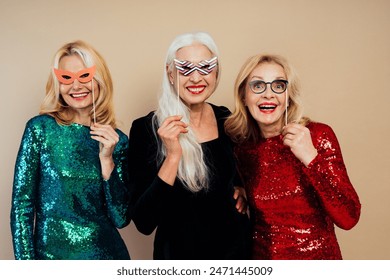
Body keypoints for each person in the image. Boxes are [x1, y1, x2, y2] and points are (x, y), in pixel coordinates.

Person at [224, 53, 361, 260]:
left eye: (278, 86)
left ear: (288, 97)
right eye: (258, 85)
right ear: (244, 95)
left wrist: (311, 158)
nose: (268, 94)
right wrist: (241, 191)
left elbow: (349, 218)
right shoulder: (243, 150)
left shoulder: (317, 135)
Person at [128, 32, 250, 259]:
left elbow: (244, 174)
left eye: (205, 67)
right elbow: (144, 222)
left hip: (235, 257)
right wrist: (173, 156)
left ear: (216, 72)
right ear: (170, 73)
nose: (196, 78)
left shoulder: (227, 120)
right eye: (186, 68)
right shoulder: (146, 130)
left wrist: (244, 190)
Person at [10, 40, 131, 260]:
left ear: (99, 80)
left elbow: (120, 218)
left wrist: (107, 160)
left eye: (84, 76)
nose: (76, 86)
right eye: (66, 78)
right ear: (57, 83)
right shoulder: (40, 129)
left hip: (107, 257)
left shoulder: (117, 140)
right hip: (51, 259)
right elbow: (22, 207)